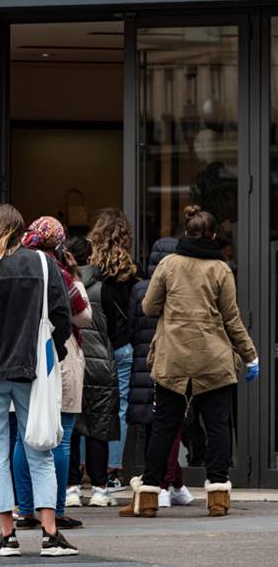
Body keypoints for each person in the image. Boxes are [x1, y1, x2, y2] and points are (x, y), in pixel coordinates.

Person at [0, 204, 78, 557]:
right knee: (40, 448)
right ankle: (51, 531)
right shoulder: (42, 264)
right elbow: (61, 316)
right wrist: (56, 355)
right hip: (31, 369)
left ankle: (7, 533)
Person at [120, 205, 259, 519]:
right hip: (213, 359)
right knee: (217, 427)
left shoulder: (168, 265)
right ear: (212, 235)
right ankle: (219, 496)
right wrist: (250, 356)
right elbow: (232, 320)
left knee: (164, 428)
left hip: (174, 359)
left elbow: (149, 307)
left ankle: (149, 499)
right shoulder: (221, 269)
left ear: (185, 234)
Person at [13, 217, 91, 531]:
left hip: (21, 354)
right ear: (58, 242)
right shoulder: (57, 271)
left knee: (23, 436)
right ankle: (55, 510)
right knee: (61, 436)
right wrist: (76, 275)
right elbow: (82, 316)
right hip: (57, 355)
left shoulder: (16, 265)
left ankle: (25, 508)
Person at [126, 236, 194, 508]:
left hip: (143, 364)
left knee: (156, 427)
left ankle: (176, 485)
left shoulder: (140, 289)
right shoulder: (180, 287)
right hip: (171, 361)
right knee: (171, 425)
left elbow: (131, 328)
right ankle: (166, 484)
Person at [89, 209, 141, 492]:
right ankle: (111, 471)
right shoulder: (130, 272)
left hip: (93, 346)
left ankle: (87, 469)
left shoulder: (88, 269)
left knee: (88, 409)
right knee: (119, 409)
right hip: (122, 346)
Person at [70, 236, 121, 508]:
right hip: (101, 365)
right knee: (98, 429)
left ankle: (71, 488)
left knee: (71, 428)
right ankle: (100, 489)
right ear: (91, 257)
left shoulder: (61, 285)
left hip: (72, 361)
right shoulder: (104, 288)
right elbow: (117, 328)